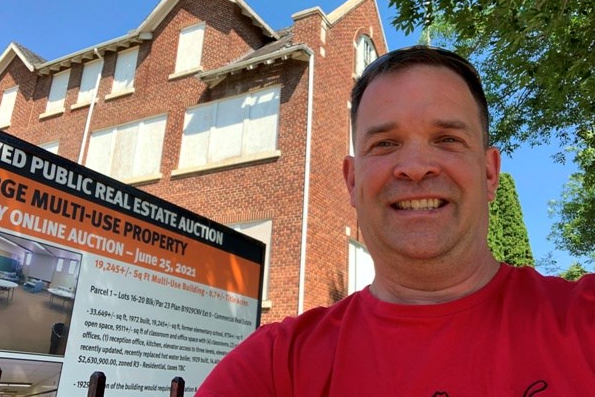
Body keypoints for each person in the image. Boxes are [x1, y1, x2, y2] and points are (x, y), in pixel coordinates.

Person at [196, 46, 595, 396]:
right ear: (352, 181)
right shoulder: (273, 368)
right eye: (385, 144)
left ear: (490, 173)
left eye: (447, 139)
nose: (416, 168)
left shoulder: (585, 320)